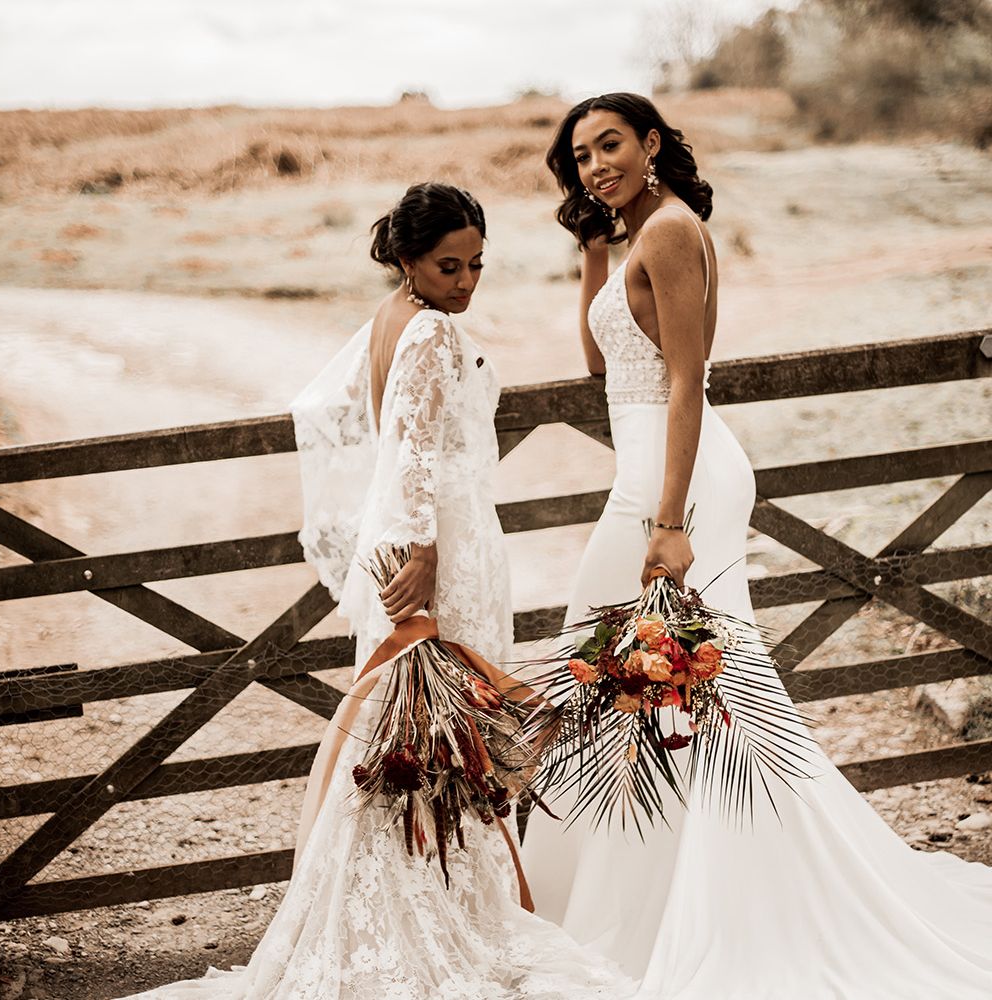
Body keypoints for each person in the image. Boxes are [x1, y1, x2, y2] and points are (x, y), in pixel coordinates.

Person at [519, 93, 992, 999]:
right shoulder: (631, 237)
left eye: (609, 145)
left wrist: (668, 522)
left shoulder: (670, 230)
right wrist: (588, 250)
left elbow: (689, 379)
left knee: (690, 693)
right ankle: (623, 898)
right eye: (579, 156)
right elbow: (600, 367)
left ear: (651, 142)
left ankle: (726, 902)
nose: (594, 165)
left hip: (681, 481)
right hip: (646, 471)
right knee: (627, 693)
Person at [118, 183, 633, 999]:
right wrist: (422, 557)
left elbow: (382, 440)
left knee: (423, 740)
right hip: (442, 551)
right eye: (446, 265)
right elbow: (412, 452)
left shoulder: (391, 318)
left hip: (426, 537)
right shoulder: (427, 329)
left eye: (476, 266)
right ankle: (434, 916)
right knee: (436, 739)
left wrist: (405, 541)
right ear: (406, 259)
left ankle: (428, 903)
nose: (465, 283)